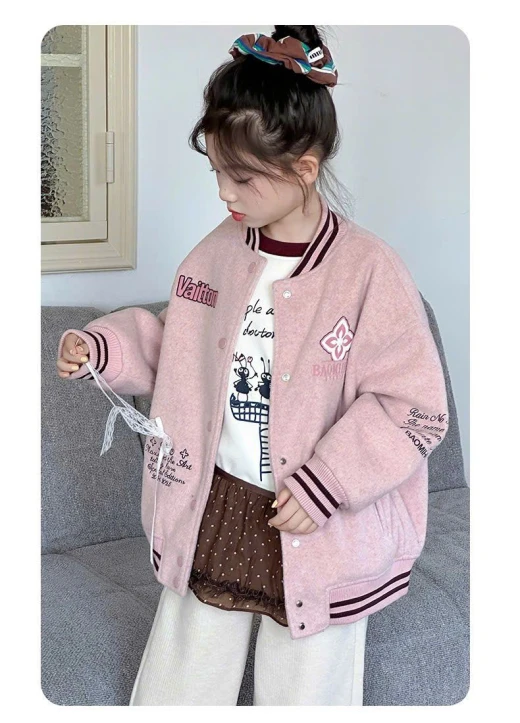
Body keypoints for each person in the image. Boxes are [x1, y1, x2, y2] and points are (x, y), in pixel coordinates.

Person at [56, 26, 449, 706]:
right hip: (215, 503)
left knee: (307, 696)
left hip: (321, 522)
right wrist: (105, 348)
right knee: (179, 687)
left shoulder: (369, 273)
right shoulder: (217, 253)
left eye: (241, 176)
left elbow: (413, 408)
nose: (223, 192)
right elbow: (179, 350)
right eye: (215, 170)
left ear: (304, 167)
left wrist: (327, 482)